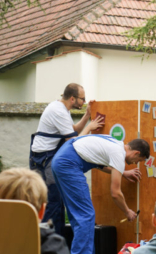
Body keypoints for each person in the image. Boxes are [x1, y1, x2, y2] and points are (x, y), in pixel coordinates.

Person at [51, 134, 149, 254]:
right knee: (86, 213)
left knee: (77, 213)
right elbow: (115, 193)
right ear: (136, 152)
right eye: (137, 160)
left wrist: (123, 173)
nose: (134, 163)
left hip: (61, 159)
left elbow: (99, 164)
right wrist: (127, 211)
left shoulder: (114, 143)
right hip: (69, 163)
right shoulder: (118, 154)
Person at [29, 83, 103, 236]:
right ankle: (48, 240)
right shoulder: (58, 111)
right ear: (72, 98)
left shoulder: (61, 108)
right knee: (53, 200)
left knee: (54, 200)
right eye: (82, 99)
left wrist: (87, 116)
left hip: (43, 156)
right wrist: (89, 128)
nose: (84, 102)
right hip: (44, 158)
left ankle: (53, 239)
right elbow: (73, 141)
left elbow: (73, 129)